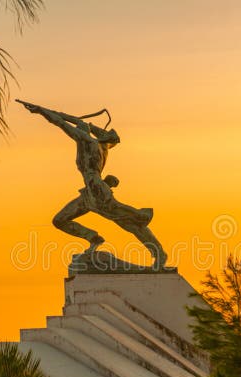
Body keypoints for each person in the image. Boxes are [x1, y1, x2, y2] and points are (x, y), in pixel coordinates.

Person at [19, 101, 167, 269]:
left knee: (129, 223)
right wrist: (84, 124)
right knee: (60, 220)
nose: (81, 129)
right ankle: (93, 237)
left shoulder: (88, 142)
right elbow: (110, 137)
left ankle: (159, 254)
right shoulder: (105, 145)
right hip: (90, 191)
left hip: (97, 192)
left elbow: (61, 123)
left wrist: (41, 111)